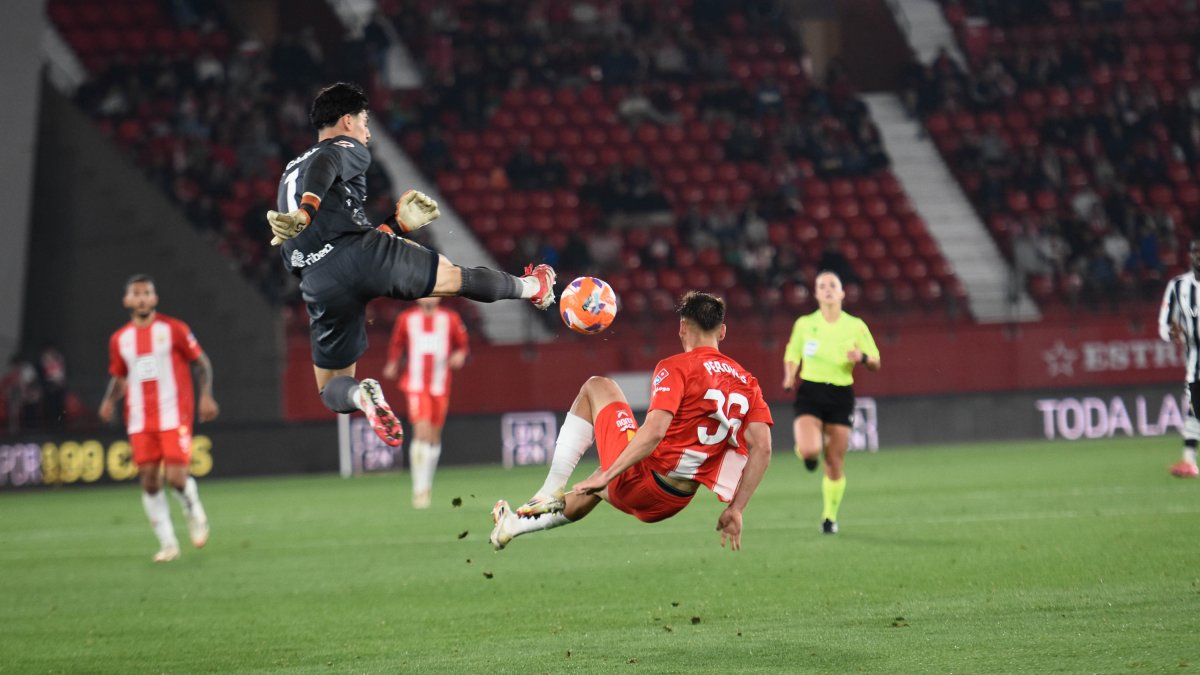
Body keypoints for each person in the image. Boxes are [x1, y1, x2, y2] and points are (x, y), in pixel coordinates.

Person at [265, 83, 555, 448]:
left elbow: (325, 243)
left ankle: (360, 398)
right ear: (347, 120)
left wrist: (395, 226)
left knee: (330, 386)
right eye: (366, 122)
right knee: (452, 277)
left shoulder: (286, 175)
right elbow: (329, 165)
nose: (368, 133)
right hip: (361, 253)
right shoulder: (343, 148)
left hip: (318, 280)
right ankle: (534, 288)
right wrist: (308, 211)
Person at [489, 291, 773, 551]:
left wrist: (609, 473)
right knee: (593, 486)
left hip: (644, 483)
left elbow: (654, 432)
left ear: (682, 328)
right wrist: (737, 508)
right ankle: (513, 526)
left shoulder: (676, 367)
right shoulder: (747, 381)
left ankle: (550, 488)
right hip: (674, 501)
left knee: (597, 386)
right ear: (722, 332)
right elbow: (763, 448)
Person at [99, 275, 219, 562]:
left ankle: (193, 510)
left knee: (176, 478)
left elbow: (202, 362)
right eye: (136, 294)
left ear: (154, 299)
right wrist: (108, 401)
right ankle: (168, 544)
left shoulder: (174, 329)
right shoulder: (120, 339)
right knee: (150, 482)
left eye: (147, 293)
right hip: (139, 419)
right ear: (127, 301)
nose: (142, 298)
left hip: (174, 413)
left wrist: (206, 395)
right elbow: (119, 375)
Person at [782, 270, 880, 534]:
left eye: (832, 285)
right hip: (811, 391)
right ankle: (807, 450)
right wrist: (790, 375)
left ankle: (829, 517)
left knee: (834, 461)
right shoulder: (804, 324)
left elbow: (875, 361)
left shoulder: (856, 326)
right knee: (811, 450)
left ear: (841, 293)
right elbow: (792, 352)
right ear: (815, 293)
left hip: (840, 394)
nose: (827, 289)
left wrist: (861, 357)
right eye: (822, 285)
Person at [382, 297, 469, 508]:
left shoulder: (450, 318)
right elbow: (397, 342)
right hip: (415, 384)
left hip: (440, 385)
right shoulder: (406, 318)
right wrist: (393, 363)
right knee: (421, 431)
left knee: (433, 437)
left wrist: (460, 355)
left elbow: (462, 345)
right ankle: (418, 489)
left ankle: (426, 485)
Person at [1158, 238, 1200, 478]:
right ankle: (1189, 462)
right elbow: (1165, 323)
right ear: (1190, 255)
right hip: (1196, 363)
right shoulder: (1178, 286)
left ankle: (1189, 461)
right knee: (1196, 410)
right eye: (1196, 252)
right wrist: (1170, 333)